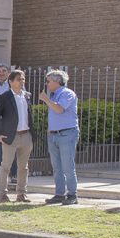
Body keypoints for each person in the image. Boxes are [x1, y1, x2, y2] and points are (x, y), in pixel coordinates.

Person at [0, 69, 33, 203]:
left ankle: (21, 194)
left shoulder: (27, 96)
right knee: (6, 166)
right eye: (19, 79)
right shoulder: (4, 97)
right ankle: (2, 194)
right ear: (11, 81)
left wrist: (32, 134)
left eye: (23, 79)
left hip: (26, 135)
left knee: (23, 167)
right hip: (10, 136)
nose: (22, 82)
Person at [38, 69, 80, 206]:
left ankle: (72, 194)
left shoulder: (67, 93)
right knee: (57, 167)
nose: (47, 84)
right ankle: (59, 194)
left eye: (49, 81)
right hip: (54, 135)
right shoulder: (54, 94)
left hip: (67, 134)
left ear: (57, 81)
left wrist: (46, 100)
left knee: (67, 166)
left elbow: (59, 109)